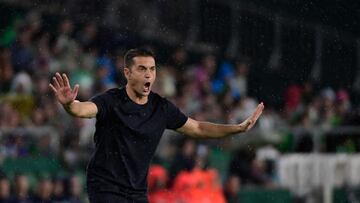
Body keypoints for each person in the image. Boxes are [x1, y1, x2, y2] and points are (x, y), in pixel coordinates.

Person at [49, 48, 264, 203]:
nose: (148, 74)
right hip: (106, 186)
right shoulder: (111, 101)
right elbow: (82, 110)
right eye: (142, 69)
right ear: (127, 73)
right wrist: (70, 105)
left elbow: (198, 128)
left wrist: (237, 128)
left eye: (151, 69)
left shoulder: (161, 108)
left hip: (137, 191)